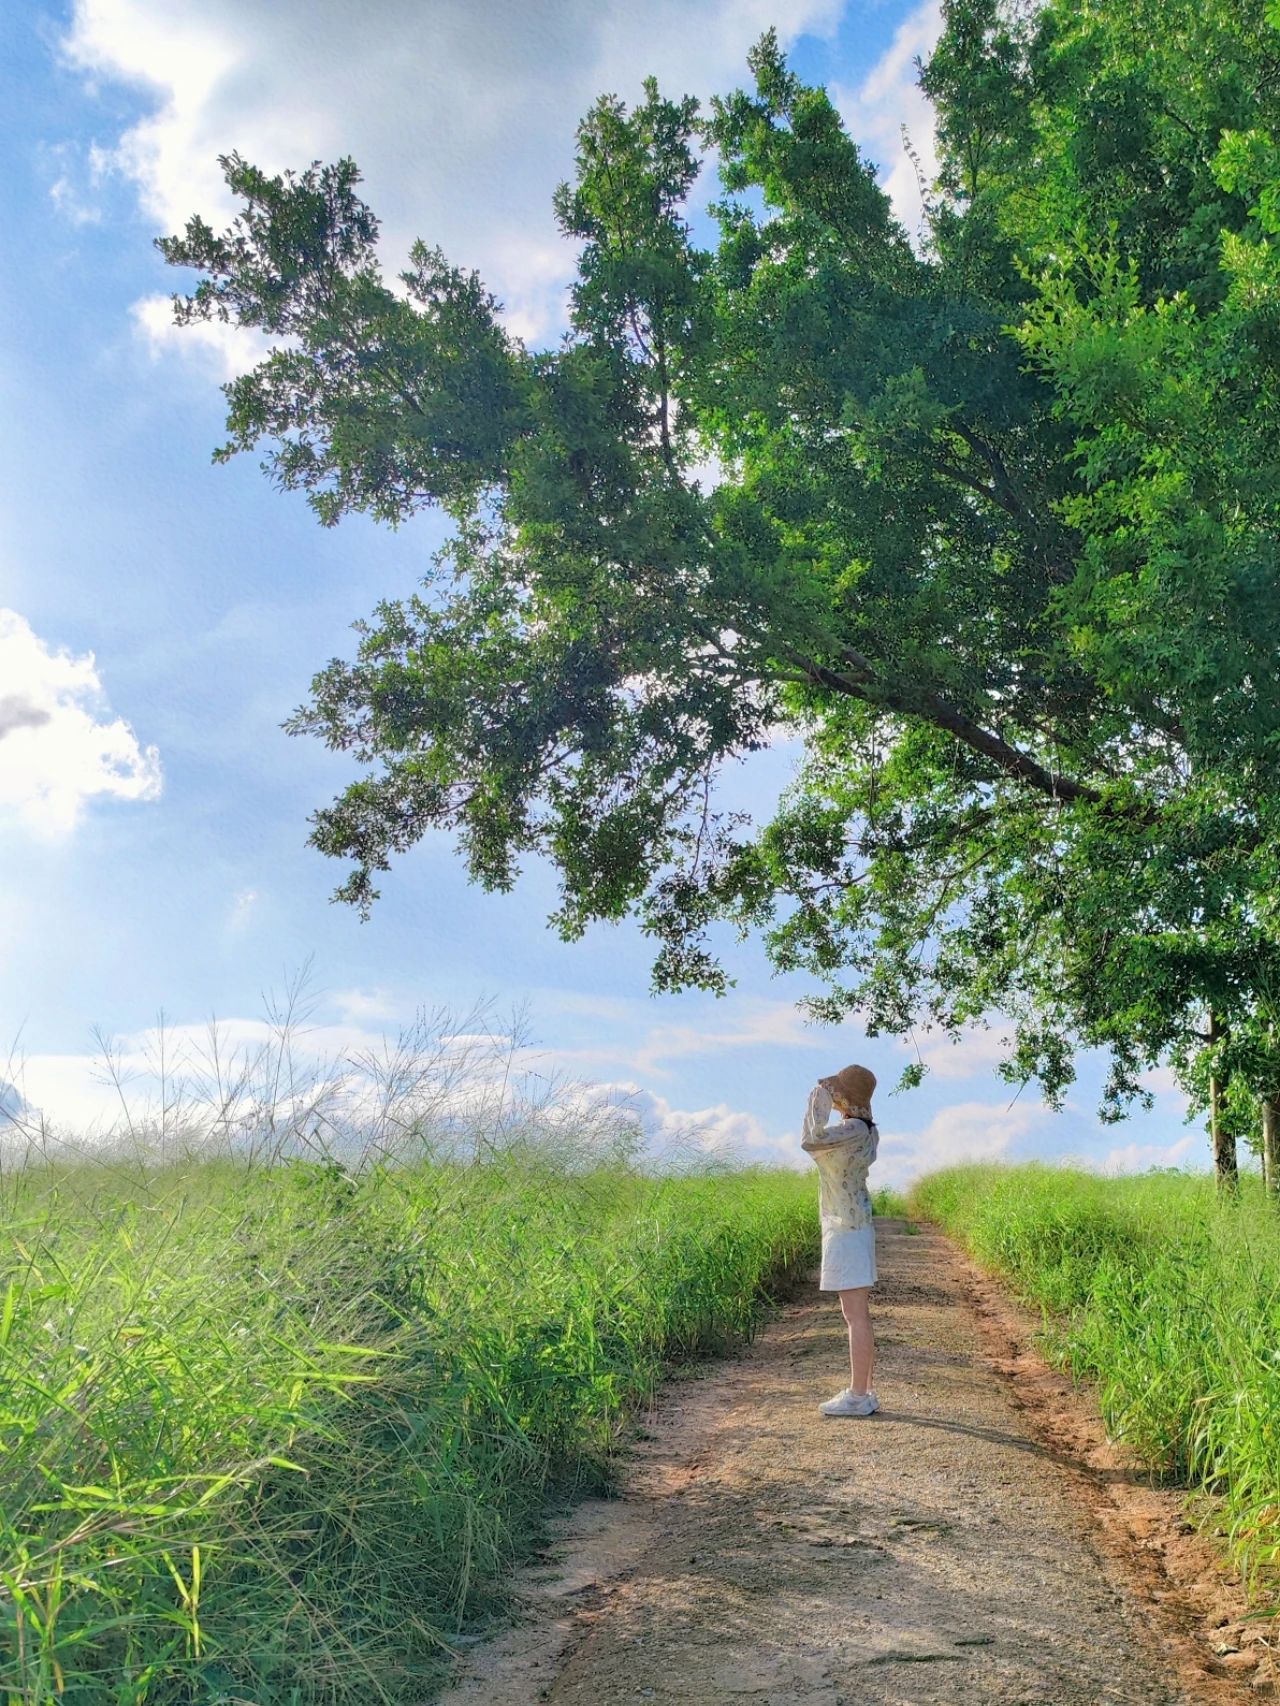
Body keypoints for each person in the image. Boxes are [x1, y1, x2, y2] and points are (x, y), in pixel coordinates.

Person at [801, 1064, 880, 1418]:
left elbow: (811, 1140)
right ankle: (864, 1391)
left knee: (854, 1316)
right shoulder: (866, 1130)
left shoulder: (851, 1130)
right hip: (855, 1224)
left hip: (846, 1228)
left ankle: (858, 1396)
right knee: (857, 1314)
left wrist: (817, 1100)